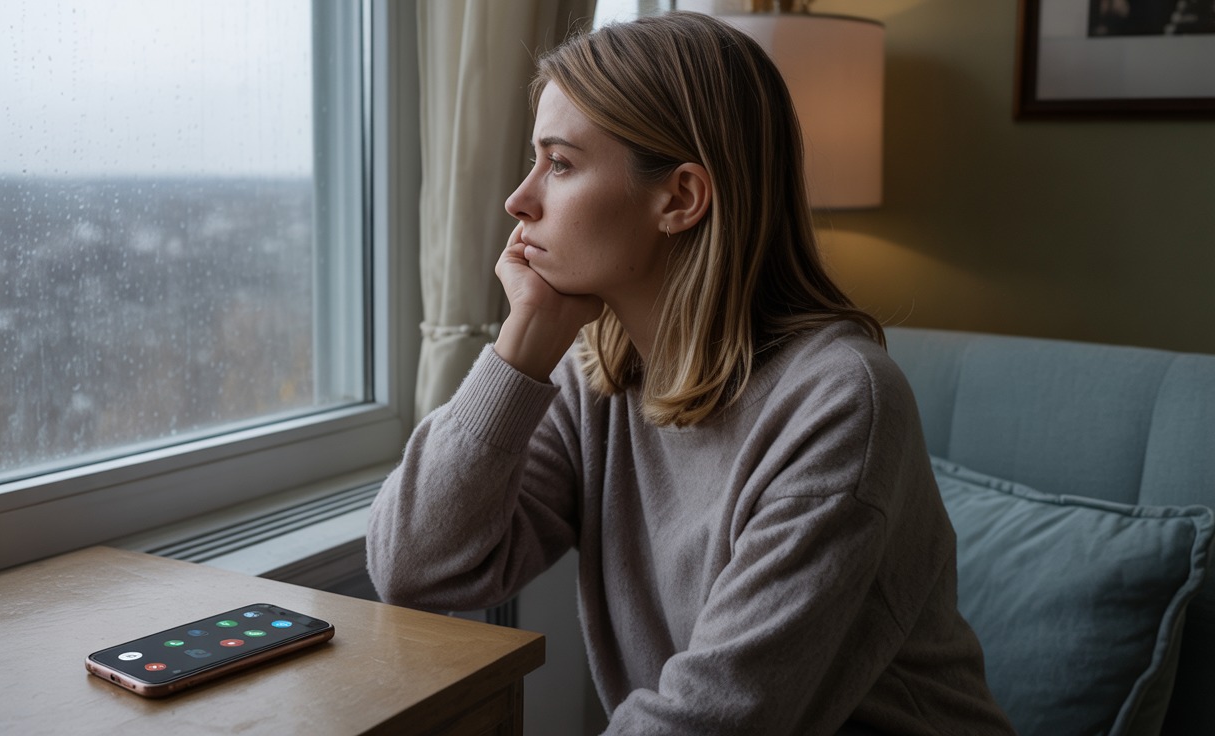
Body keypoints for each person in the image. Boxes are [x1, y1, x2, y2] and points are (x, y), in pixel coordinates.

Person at [367, 12, 1014, 735]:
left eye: (560, 163)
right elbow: (415, 568)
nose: (519, 200)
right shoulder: (598, 375)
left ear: (680, 199)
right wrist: (521, 346)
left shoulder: (842, 403)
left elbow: (711, 720)